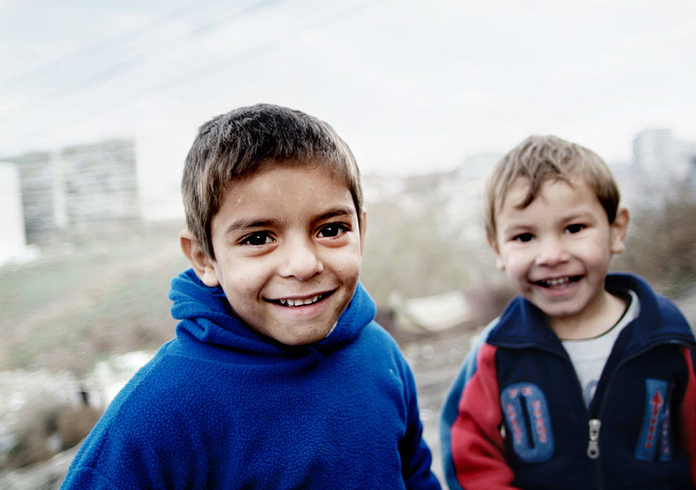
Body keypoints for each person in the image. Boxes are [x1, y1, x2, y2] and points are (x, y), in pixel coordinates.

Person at [61, 104, 441, 489]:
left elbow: (417, 477)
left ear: (361, 231)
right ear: (204, 259)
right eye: (258, 238)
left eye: (330, 229)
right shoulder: (162, 411)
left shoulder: (381, 356)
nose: (303, 264)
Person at [439, 135, 696, 489]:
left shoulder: (664, 335)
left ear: (616, 230)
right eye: (524, 237)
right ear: (497, 248)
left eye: (574, 228)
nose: (551, 255)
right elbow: (469, 451)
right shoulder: (496, 350)